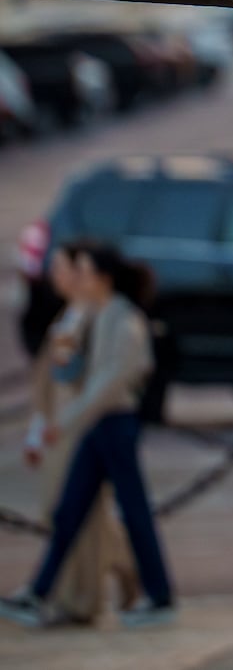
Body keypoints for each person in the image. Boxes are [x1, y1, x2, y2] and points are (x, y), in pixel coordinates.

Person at [0, 242, 175, 629]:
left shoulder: (122, 318)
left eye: (82, 271)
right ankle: (38, 592)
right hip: (97, 425)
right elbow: (70, 371)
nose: (76, 279)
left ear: (102, 278)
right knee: (71, 510)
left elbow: (112, 379)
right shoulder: (91, 316)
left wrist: (66, 418)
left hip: (115, 423)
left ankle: (159, 595)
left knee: (133, 512)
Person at [16, 244, 140, 626]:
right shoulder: (68, 315)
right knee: (76, 513)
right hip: (60, 427)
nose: (58, 276)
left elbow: (90, 376)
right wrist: (37, 427)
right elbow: (45, 380)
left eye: (66, 268)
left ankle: (82, 599)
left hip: (78, 427)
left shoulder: (95, 316)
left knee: (76, 513)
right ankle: (123, 568)